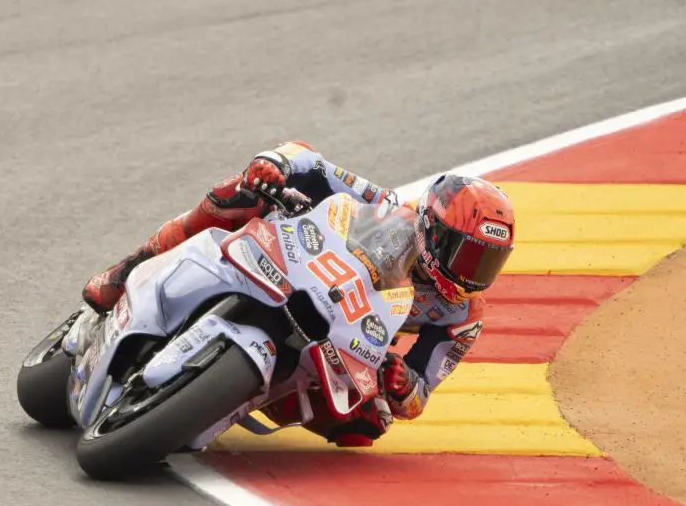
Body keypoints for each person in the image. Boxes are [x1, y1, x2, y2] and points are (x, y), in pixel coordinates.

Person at [80, 141, 516, 447]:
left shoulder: (463, 315)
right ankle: (128, 269)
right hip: (296, 266)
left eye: (488, 262)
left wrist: (403, 386)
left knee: (367, 426)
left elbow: (421, 393)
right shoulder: (383, 207)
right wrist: (274, 166)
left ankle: (226, 398)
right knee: (241, 193)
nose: (472, 273)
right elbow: (312, 162)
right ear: (433, 229)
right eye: (467, 255)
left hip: (350, 337)